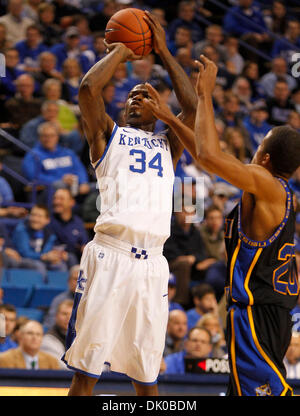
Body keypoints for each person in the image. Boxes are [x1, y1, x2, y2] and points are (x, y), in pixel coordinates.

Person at [142, 54, 300, 395]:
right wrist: (171, 118)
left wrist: (204, 96)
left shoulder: (265, 182)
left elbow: (210, 157)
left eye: (259, 144)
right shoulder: (276, 191)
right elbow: (204, 154)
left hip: (258, 314)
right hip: (265, 313)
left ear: (265, 157)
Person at [62, 9, 197, 396]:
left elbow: (194, 110)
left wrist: (164, 52)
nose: (137, 98)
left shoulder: (169, 143)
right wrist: (124, 49)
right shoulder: (108, 135)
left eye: (146, 95)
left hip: (153, 265)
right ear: (123, 109)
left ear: (158, 109)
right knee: (86, 372)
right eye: (132, 96)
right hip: (110, 256)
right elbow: (88, 89)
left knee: (147, 376)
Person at [12, 204, 68, 278]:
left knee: (60, 265)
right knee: (39, 266)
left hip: (42, 259)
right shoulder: (21, 230)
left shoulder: (49, 234)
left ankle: (61, 289)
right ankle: (42, 289)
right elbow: (24, 253)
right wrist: (43, 257)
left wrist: (56, 255)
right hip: (22, 260)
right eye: (33, 215)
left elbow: (48, 251)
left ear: (47, 220)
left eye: (39, 216)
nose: (35, 219)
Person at [49, 189, 89, 264]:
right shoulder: (48, 220)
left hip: (75, 259)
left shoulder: (78, 222)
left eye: (61, 199)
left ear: (71, 202)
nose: (57, 202)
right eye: (55, 198)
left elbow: (84, 243)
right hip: (55, 259)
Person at [43, 264, 79, 330]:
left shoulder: (91, 300)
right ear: (69, 281)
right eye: (75, 279)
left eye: (82, 280)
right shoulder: (59, 300)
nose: (78, 283)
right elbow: (50, 322)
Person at [41, 299, 73, 369]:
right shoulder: (48, 340)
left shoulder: (82, 337)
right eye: (64, 314)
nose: (68, 318)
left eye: (72, 315)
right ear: (56, 316)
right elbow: (63, 367)